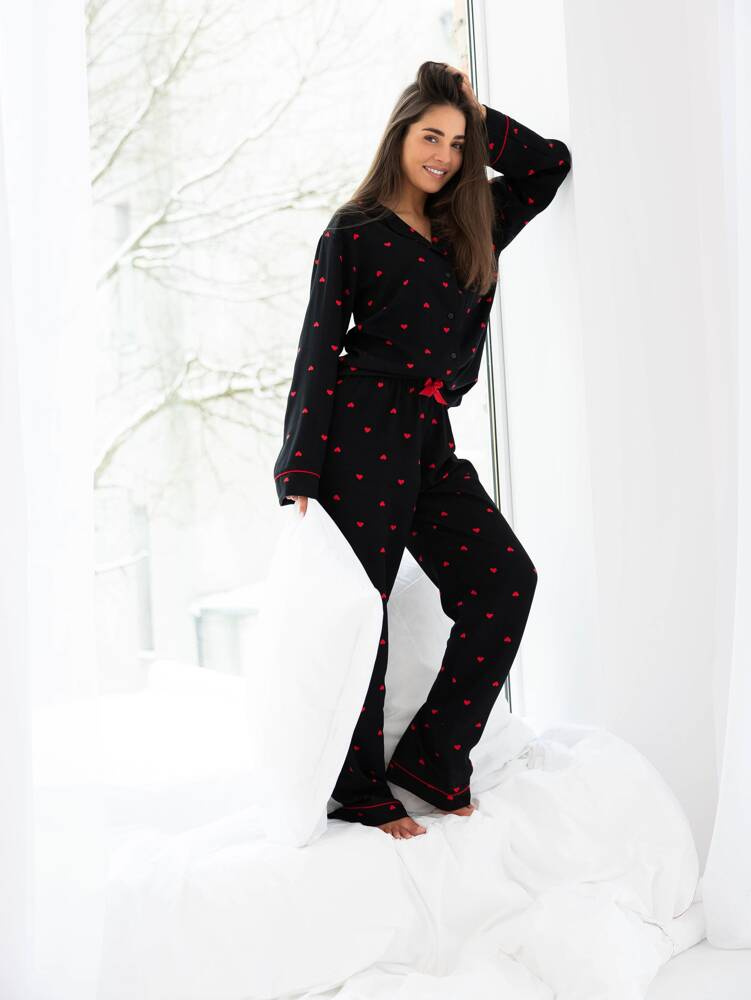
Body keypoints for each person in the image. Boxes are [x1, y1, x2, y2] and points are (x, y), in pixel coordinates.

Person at [273, 61, 571, 839]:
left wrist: (479, 114)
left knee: (503, 580)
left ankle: (434, 761)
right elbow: (317, 344)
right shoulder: (353, 229)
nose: (442, 154)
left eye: (457, 143)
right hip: (359, 429)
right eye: (430, 136)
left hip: (429, 435)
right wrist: (300, 466)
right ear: (399, 135)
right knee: (362, 611)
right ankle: (357, 789)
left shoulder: (470, 224)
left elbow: (547, 165)